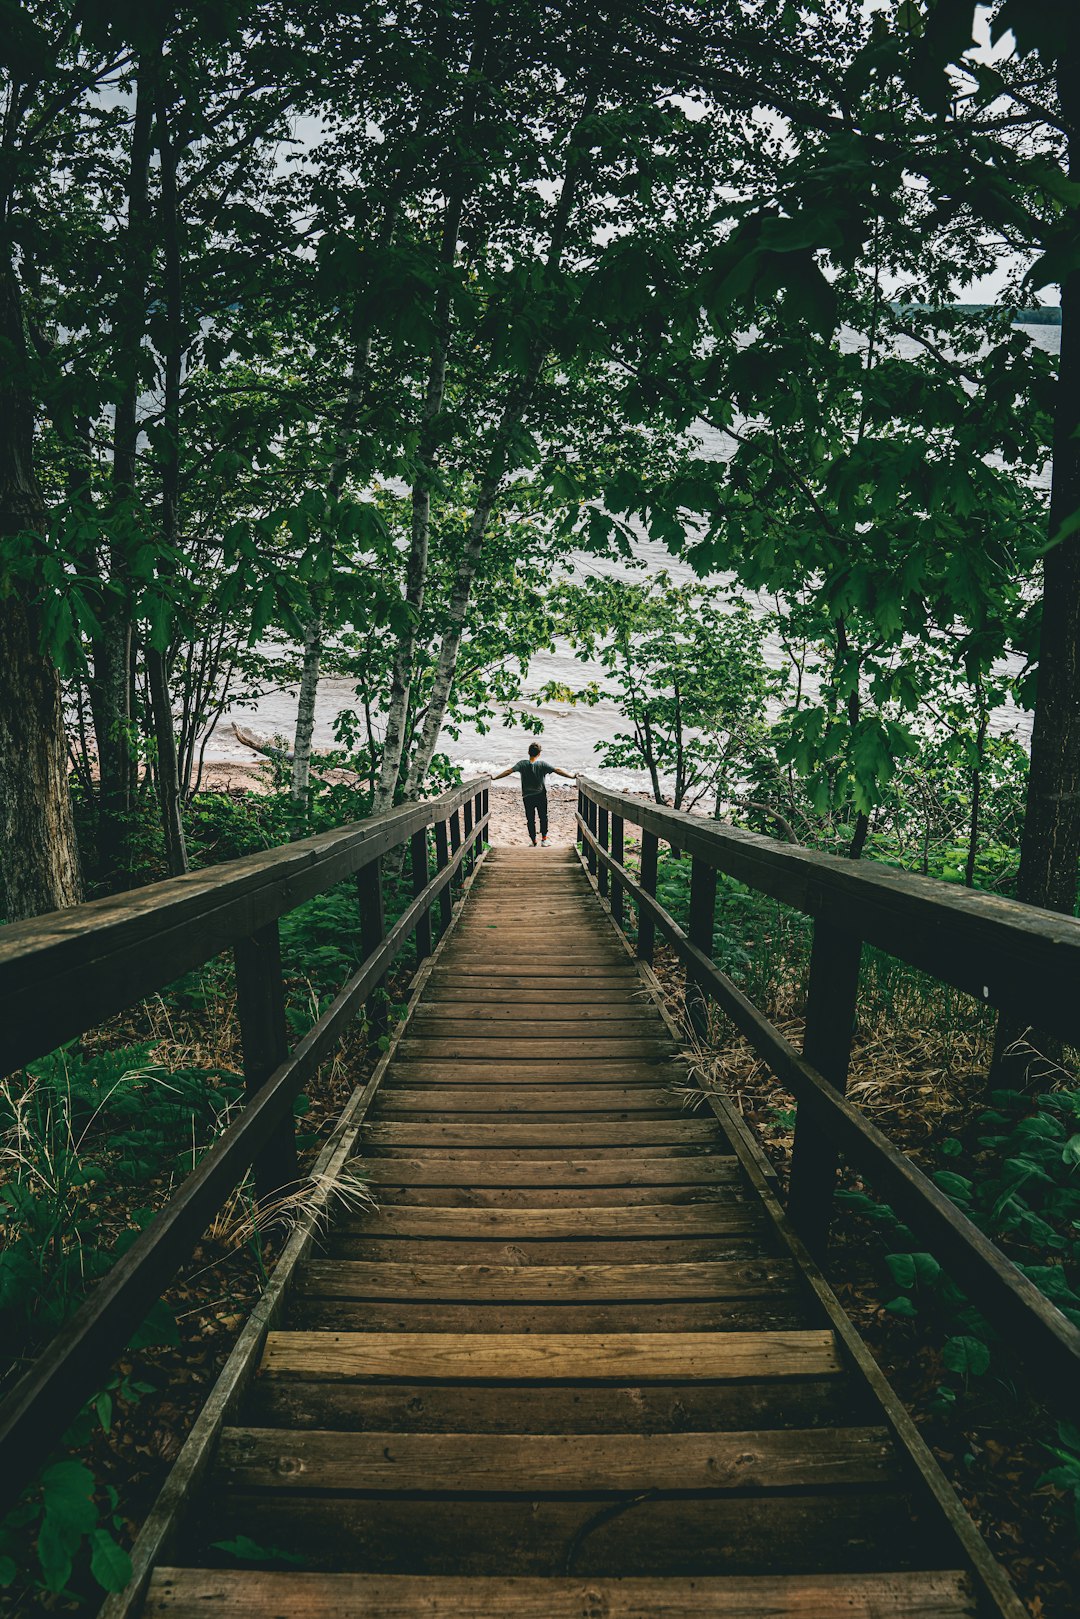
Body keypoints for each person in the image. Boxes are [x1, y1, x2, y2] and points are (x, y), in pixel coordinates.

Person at [493, 742, 574, 846]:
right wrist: (571, 777)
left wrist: (495, 778)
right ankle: (544, 840)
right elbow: (557, 770)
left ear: (528, 752)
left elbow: (509, 771)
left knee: (530, 819)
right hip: (541, 795)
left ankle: (533, 841)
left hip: (527, 796)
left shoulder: (522, 764)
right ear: (539, 754)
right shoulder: (542, 764)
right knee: (543, 817)